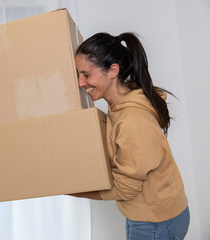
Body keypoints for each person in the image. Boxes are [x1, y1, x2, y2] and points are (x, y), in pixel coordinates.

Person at [72, 32, 190, 239]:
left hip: (157, 221)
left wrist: (70, 190)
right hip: (148, 214)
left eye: (86, 74)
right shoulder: (120, 106)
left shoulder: (132, 119)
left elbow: (125, 189)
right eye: (78, 74)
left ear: (113, 71)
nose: (80, 82)